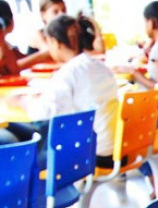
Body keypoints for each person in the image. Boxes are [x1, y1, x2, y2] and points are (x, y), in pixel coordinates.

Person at [22, 14, 118, 165]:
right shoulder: (100, 67)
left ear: (55, 42)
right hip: (116, 147)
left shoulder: (67, 74)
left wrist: (25, 101)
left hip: (92, 153)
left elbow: (40, 114)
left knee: (32, 137)